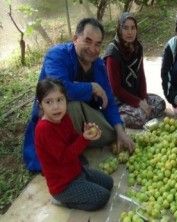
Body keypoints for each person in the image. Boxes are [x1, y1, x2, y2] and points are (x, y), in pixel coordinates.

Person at [23, 18, 134, 172]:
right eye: (87, 41)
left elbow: (108, 98)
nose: (92, 49)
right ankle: (66, 152)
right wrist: (91, 87)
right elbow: (60, 89)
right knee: (67, 104)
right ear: (75, 39)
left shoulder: (97, 65)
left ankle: (80, 141)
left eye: (97, 44)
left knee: (111, 134)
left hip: (83, 114)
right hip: (54, 119)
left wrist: (120, 130)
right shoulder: (56, 55)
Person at [34, 78, 113, 211]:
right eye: (49, 102)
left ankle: (82, 185)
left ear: (66, 99)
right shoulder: (44, 129)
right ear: (41, 104)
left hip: (76, 171)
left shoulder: (64, 117)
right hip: (63, 185)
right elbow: (65, 156)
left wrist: (87, 133)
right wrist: (84, 139)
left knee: (109, 183)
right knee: (102, 197)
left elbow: (73, 139)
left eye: (60, 100)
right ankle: (64, 201)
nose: (56, 106)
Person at [104, 12, 165, 129]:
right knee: (140, 116)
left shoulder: (137, 47)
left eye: (133, 28)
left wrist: (143, 99)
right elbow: (116, 89)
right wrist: (139, 103)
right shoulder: (113, 53)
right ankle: (116, 117)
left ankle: (141, 112)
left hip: (134, 94)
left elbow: (141, 75)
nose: (130, 32)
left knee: (160, 104)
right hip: (119, 101)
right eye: (125, 28)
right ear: (119, 30)